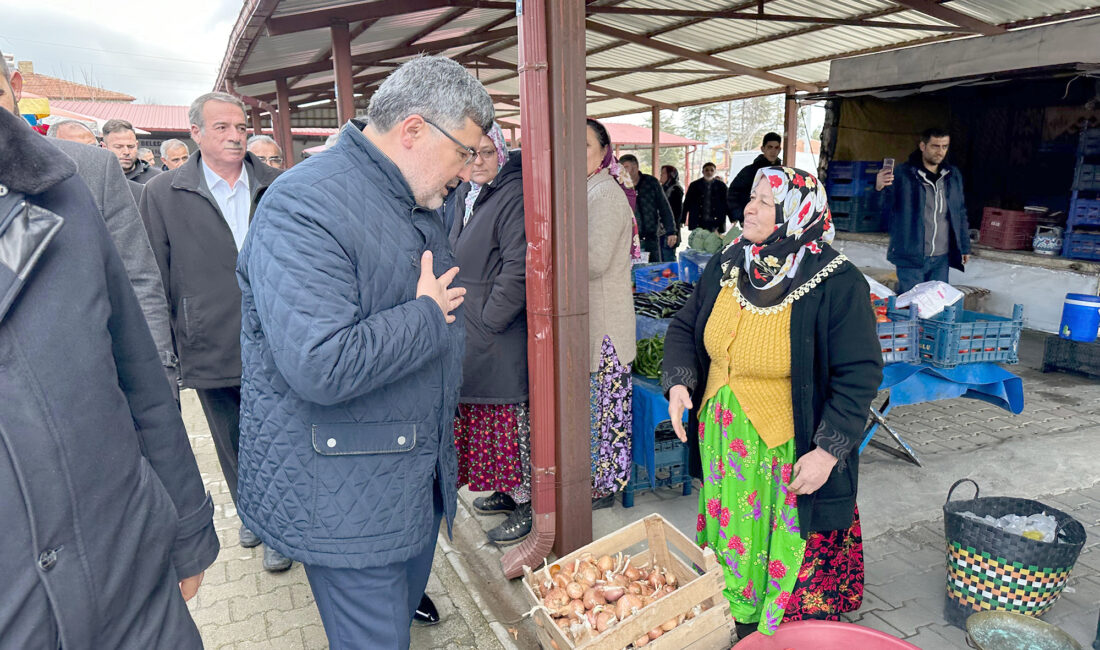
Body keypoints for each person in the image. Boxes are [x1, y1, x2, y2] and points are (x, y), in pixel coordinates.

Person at [236, 55, 492, 649]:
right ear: (414, 130)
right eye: (465, 152)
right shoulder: (303, 206)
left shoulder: (410, 197)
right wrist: (426, 316)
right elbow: (319, 362)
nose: (468, 170)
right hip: (346, 496)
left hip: (404, 480)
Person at [0, 69, 218, 649]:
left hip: (126, 567)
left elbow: (137, 344)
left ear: (14, 82)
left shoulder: (69, 179)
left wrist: (188, 528)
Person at [663, 166, 883, 638]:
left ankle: (777, 635)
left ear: (796, 213)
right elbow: (685, 325)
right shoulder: (729, 261)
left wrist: (828, 452)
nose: (750, 208)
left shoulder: (837, 282)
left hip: (785, 448)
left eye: (766, 202)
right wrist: (680, 383)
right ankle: (734, 616)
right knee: (730, 536)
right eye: (752, 197)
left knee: (779, 548)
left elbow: (858, 374)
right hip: (723, 440)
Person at [139, 91, 289, 572]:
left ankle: (287, 519)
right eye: (221, 127)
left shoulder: (277, 184)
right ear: (196, 134)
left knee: (282, 433)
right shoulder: (163, 193)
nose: (234, 135)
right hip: (210, 338)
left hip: (280, 335)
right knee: (234, 439)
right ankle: (258, 520)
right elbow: (153, 274)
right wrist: (166, 350)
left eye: (241, 126)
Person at [448, 123, 530, 545]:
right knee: (488, 424)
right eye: (469, 153)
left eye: (485, 153)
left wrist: (489, 318)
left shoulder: (512, 194)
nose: (476, 161)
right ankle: (506, 491)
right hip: (473, 328)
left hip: (496, 333)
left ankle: (527, 505)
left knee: (509, 426)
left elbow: (518, 268)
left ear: (501, 153)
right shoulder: (468, 193)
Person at [585, 118, 636, 508]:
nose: (576, 155)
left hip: (606, 324)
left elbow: (593, 260)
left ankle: (605, 486)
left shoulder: (603, 194)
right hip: (597, 321)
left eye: (585, 146)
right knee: (598, 407)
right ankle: (598, 480)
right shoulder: (588, 189)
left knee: (607, 409)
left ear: (604, 152)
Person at [876, 127, 971, 294]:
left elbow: (959, 212)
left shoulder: (952, 175)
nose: (940, 152)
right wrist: (879, 187)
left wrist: (964, 245)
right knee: (911, 306)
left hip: (941, 257)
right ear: (922, 146)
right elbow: (884, 209)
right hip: (911, 255)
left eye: (944, 146)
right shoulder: (902, 173)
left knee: (936, 306)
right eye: (935, 146)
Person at [619, 154, 678, 263]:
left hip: (651, 239)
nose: (622, 171)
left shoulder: (651, 183)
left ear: (635, 167)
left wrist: (671, 231)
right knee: (631, 274)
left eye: (625, 167)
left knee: (653, 272)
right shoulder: (619, 187)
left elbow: (664, 207)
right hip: (628, 241)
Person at [728, 132, 782, 224]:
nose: (773, 151)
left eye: (776, 148)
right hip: (752, 221)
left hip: (775, 222)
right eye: (770, 147)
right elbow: (732, 194)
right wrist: (740, 217)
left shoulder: (782, 172)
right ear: (763, 149)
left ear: (780, 150)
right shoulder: (749, 171)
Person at [102, 118, 161, 184]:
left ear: (137, 145)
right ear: (104, 147)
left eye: (131, 146)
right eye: (119, 147)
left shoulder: (157, 179)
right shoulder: (94, 177)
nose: (126, 152)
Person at [683, 161, 729, 233]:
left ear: (715, 172)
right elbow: (687, 203)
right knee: (697, 243)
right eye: (707, 170)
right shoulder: (694, 185)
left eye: (712, 170)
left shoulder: (721, 186)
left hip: (716, 222)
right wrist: (682, 219)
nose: (709, 172)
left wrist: (733, 218)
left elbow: (727, 202)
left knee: (715, 243)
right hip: (698, 221)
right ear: (702, 172)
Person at [661, 164, 685, 232]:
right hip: (661, 227)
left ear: (671, 175)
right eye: (661, 173)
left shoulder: (676, 189)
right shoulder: (662, 188)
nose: (661, 175)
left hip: (670, 228)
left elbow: (676, 212)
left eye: (664, 173)